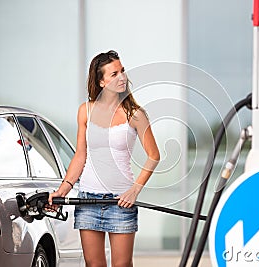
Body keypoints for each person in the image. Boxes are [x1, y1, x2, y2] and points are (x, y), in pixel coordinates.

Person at [49, 50, 160, 267]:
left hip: (121, 202)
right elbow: (81, 155)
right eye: (114, 74)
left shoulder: (135, 114)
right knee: (94, 264)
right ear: (101, 82)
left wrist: (134, 190)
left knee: (122, 265)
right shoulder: (85, 111)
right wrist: (63, 189)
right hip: (88, 199)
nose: (122, 77)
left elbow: (154, 156)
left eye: (122, 71)